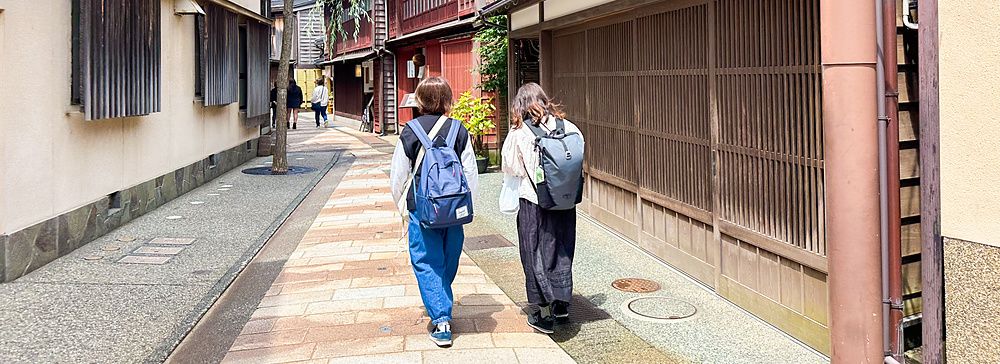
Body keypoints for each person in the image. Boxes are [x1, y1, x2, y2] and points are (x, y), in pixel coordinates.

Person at [390, 77, 479, 348]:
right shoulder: (458, 130)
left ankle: (441, 319)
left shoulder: (410, 131)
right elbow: (470, 172)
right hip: (453, 210)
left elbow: (398, 177)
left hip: (422, 209)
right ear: (448, 100)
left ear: (419, 101)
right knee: (448, 259)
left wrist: (403, 207)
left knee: (427, 262)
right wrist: (466, 206)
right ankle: (441, 301)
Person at [501, 82, 584, 334]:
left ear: (520, 105)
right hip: (565, 202)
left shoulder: (519, 132)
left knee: (534, 251)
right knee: (561, 248)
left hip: (534, 202)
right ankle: (562, 304)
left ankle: (543, 311)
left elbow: (512, 167)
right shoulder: (568, 127)